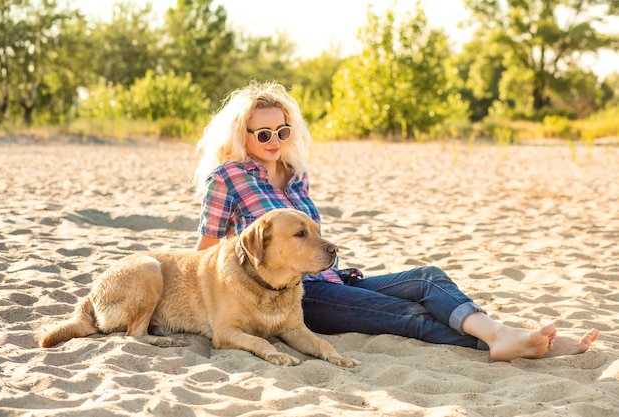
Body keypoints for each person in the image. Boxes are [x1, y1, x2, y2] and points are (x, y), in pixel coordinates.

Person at [193, 81, 599, 361]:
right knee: (408, 317)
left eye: (281, 130)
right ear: (239, 134)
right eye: (262, 134)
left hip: (334, 279)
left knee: (427, 278)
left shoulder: (295, 173)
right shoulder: (226, 179)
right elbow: (206, 257)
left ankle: (501, 334)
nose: (274, 141)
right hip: (296, 297)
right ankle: (521, 344)